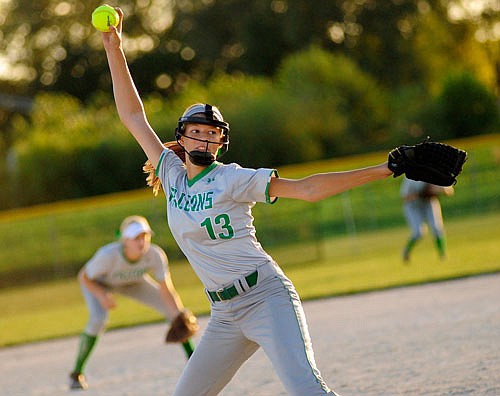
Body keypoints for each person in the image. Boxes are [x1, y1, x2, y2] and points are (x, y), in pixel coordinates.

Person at [100, 8, 394, 395]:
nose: (204, 140)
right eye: (196, 132)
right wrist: (113, 47)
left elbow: (307, 189)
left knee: (306, 389)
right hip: (223, 315)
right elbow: (133, 116)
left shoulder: (232, 178)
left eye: (212, 134)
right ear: (182, 138)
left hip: (266, 298)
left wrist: (386, 168)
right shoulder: (170, 174)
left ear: (222, 142)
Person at [69, 215, 197, 390]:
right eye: (136, 237)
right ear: (125, 241)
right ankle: (77, 373)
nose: (142, 241)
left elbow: (166, 289)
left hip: (134, 282)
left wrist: (178, 315)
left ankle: (194, 361)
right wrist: (101, 295)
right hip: (100, 283)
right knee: (98, 319)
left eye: (145, 236)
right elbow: (84, 277)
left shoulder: (155, 255)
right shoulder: (108, 255)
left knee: (173, 313)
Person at [400, 177, 454, 262]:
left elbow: (449, 191)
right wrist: (420, 194)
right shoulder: (410, 177)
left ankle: (442, 255)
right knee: (419, 232)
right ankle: (406, 251)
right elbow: (405, 198)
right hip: (413, 206)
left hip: (429, 202)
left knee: (437, 227)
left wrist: (438, 189)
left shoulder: (433, 173)